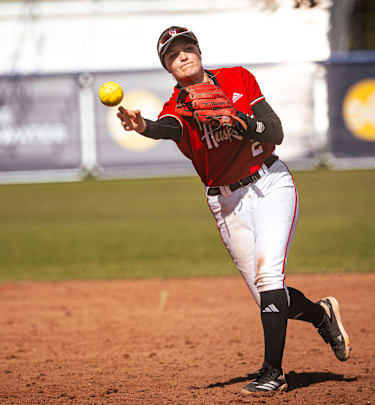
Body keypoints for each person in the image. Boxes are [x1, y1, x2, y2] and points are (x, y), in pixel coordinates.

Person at [116, 26, 351, 394]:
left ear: (199, 51)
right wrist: (142, 125)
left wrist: (238, 121)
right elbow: (167, 128)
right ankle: (322, 314)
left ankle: (272, 373)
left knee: (269, 277)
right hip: (226, 203)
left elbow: (274, 131)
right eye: (173, 54)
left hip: (269, 184)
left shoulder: (238, 79)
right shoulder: (175, 107)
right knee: (269, 299)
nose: (183, 55)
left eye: (188, 47)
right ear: (168, 68)